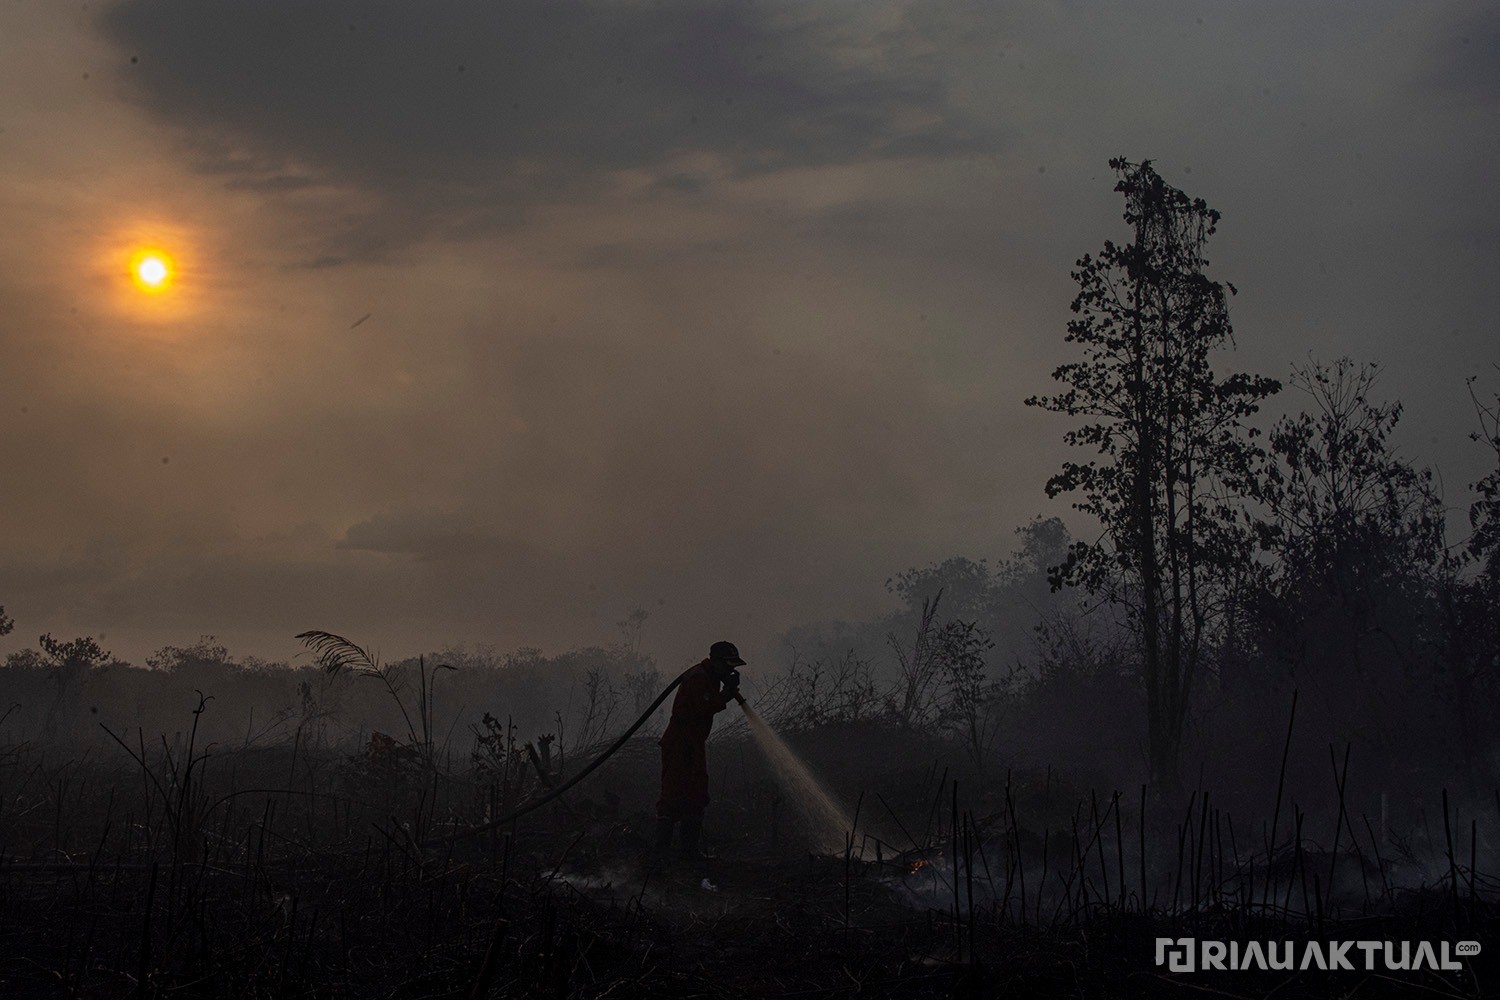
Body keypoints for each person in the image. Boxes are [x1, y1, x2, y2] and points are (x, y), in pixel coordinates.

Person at [655, 640, 744, 859]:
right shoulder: (698, 677)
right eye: (727, 665)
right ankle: (659, 854)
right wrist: (727, 694)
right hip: (680, 744)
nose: (731, 670)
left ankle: (689, 853)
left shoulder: (710, 677)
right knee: (672, 796)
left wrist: (726, 691)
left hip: (693, 744)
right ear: (714, 661)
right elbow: (705, 706)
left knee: (696, 794)